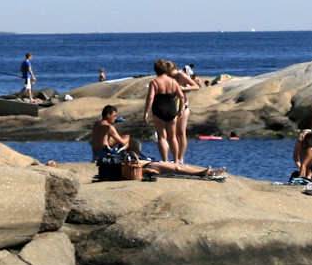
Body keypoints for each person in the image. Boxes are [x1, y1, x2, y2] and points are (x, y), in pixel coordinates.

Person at [91, 106, 223, 180]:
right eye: (114, 116)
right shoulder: (109, 127)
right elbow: (121, 142)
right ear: (108, 115)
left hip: (100, 154)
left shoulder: (97, 125)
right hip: (127, 159)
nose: (115, 118)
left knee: (176, 167)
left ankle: (205, 171)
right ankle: (203, 172)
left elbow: (94, 142)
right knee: (175, 168)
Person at [145, 59, 190, 162]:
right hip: (171, 109)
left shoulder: (154, 82)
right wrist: (181, 108)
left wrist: (146, 112)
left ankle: (165, 160)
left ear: (155, 70)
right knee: (173, 137)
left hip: (159, 109)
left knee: (161, 137)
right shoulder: (173, 81)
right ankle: (175, 160)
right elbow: (181, 96)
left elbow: (150, 97)